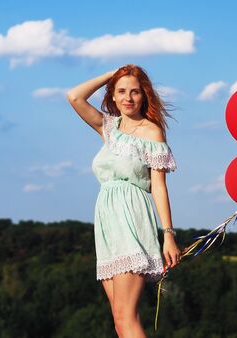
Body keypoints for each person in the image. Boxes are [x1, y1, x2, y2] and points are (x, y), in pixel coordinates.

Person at [67, 64, 181, 337]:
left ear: (144, 96)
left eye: (135, 91)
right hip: (107, 225)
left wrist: (168, 234)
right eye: (121, 91)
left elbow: (159, 186)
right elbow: (74, 96)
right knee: (119, 319)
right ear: (113, 96)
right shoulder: (109, 127)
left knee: (126, 317)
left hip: (132, 219)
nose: (128, 97)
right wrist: (113, 74)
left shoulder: (152, 132)